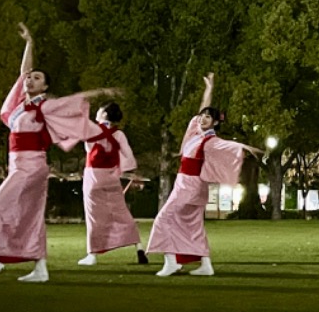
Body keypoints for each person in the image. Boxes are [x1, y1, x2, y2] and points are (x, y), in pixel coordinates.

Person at [0, 25, 110, 285]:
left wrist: (101, 93)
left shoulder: (45, 106)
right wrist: (29, 43)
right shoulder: (18, 107)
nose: (29, 80)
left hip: (31, 167)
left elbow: (74, 102)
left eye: (37, 78)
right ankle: (40, 268)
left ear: (45, 86)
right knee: (31, 216)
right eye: (29, 78)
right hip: (20, 166)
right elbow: (22, 72)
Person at [147, 72, 262, 277]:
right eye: (203, 115)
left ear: (216, 123)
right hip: (191, 186)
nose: (202, 118)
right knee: (193, 225)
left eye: (209, 117)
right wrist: (209, 89)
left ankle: (171, 261)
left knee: (163, 219)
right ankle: (206, 265)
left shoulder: (212, 141)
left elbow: (230, 146)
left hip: (189, 186)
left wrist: (245, 146)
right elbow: (202, 110)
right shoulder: (195, 132)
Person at [77, 102, 148, 267]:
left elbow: (88, 149)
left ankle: (92, 254)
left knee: (94, 217)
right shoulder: (119, 134)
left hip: (94, 175)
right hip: (112, 177)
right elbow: (128, 157)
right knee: (121, 213)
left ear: (104, 115)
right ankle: (139, 247)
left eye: (100, 110)